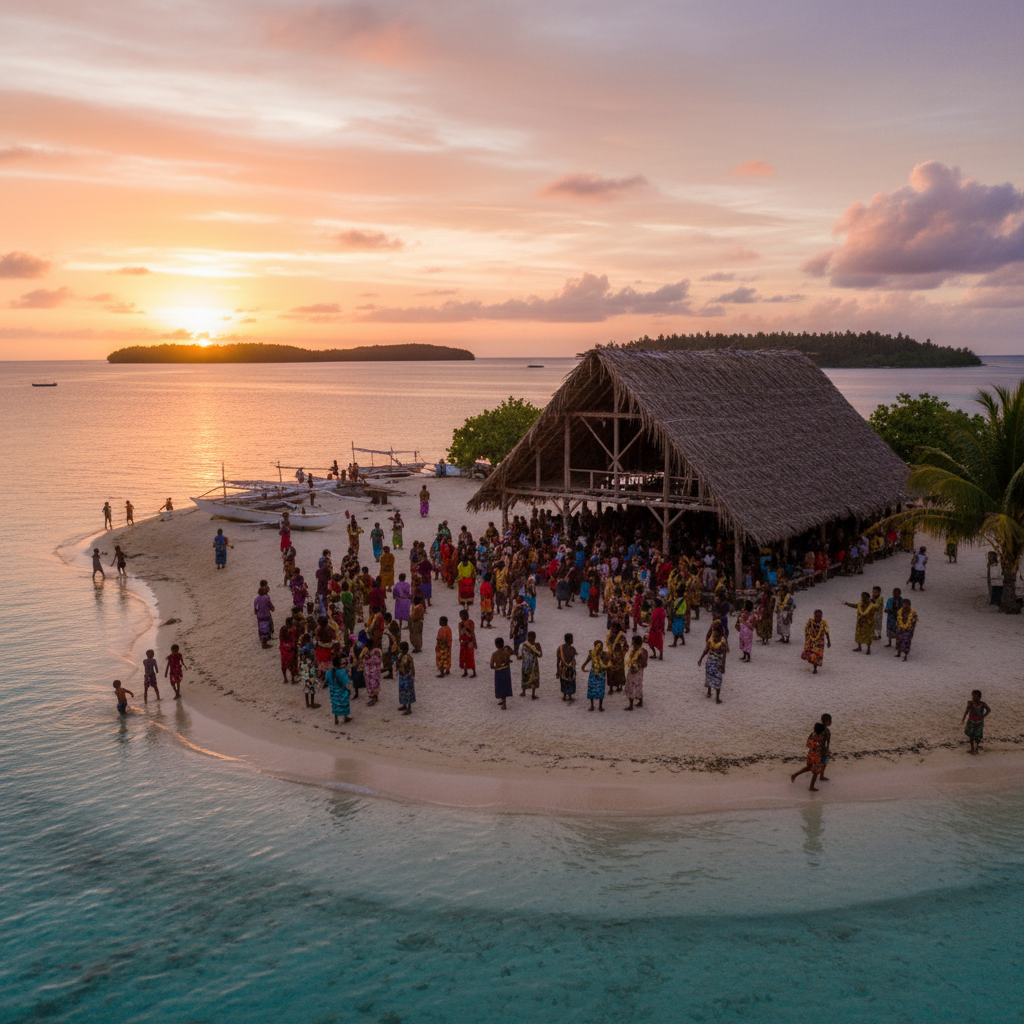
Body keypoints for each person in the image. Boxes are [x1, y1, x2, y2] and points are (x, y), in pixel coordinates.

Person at [697, 620, 728, 702]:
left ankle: (710, 692)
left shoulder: (714, 640)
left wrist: (701, 659)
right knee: (717, 678)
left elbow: (706, 650)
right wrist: (723, 666)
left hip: (711, 661)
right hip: (716, 662)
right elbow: (724, 655)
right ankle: (715, 696)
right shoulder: (722, 641)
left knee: (711, 677)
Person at [790, 722, 826, 790]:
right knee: (816, 772)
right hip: (816, 756)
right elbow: (821, 748)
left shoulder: (812, 734)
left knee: (809, 767)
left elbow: (808, 745)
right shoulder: (820, 738)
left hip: (810, 754)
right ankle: (811, 787)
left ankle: (794, 775)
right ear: (821, 732)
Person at [962, 690, 991, 754]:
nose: (974, 698)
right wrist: (963, 718)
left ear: (979, 697)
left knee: (978, 736)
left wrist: (983, 716)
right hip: (971, 721)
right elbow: (967, 711)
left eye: (975, 697)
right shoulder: (970, 703)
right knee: (971, 736)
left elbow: (988, 710)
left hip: (979, 722)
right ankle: (972, 748)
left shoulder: (983, 704)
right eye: (973, 697)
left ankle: (977, 748)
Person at [326, 655, 352, 724]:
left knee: (335, 705)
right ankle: (345, 717)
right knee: (345, 704)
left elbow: (326, 681)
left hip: (333, 692)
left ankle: (336, 719)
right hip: (341, 691)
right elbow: (346, 682)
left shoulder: (329, 672)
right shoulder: (342, 672)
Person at [582, 639, 606, 712]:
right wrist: (583, 666)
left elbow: (606, 663)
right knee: (592, 689)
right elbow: (587, 660)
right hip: (594, 673)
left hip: (601, 673)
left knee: (600, 689)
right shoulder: (592, 653)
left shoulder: (603, 654)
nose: (600, 648)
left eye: (601, 647)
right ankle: (592, 705)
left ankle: (600, 706)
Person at [624, 635, 648, 710]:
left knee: (633, 686)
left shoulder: (642, 652)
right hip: (633, 670)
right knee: (636, 685)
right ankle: (640, 701)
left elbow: (644, 663)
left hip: (638, 671)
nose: (632, 644)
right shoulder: (635, 651)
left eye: (633, 642)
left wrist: (637, 664)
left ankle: (631, 705)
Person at [490, 637, 514, 710]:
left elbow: (492, 665)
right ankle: (503, 701)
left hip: (499, 671)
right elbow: (512, 652)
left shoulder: (495, 654)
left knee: (500, 686)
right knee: (505, 685)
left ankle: (503, 702)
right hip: (506, 670)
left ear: (496, 645)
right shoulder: (506, 652)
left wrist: (496, 665)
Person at [518, 631, 542, 699]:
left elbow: (519, 656)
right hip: (532, 663)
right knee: (532, 677)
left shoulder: (523, 645)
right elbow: (540, 655)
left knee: (527, 677)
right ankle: (531, 694)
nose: (531, 640)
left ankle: (525, 692)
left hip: (527, 663)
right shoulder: (527, 645)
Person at [396, 642, 416, 714]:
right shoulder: (400, 656)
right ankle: (404, 705)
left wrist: (412, 675)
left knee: (408, 692)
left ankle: (409, 708)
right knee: (402, 691)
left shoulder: (408, 657)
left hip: (407, 676)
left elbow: (411, 667)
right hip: (402, 676)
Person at [556, 633, 577, 702]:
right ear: (570, 640)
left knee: (563, 682)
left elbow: (558, 660)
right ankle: (570, 696)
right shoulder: (572, 649)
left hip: (563, 669)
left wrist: (557, 670)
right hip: (570, 669)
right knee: (570, 682)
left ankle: (564, 695)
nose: (573, 640)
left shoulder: (560, 648)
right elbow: (573, 660)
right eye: (572, 639)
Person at [458, 608, 478, 678]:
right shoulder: (460, 624)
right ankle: (465, 671)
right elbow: (460, 633)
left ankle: (474, 671)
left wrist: (474, 642)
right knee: (464, 657)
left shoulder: (470, 622)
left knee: (470, 657)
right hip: (463, 643)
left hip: (469, 643)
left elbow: (472, 632)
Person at [254, 583, 275, 648]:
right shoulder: (266, 598)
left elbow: (256, 608)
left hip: (260, 616)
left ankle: (263, 640)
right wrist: (272, 609)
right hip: (266, 615)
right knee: (267, 627)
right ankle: (264, 644)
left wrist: (257, 612)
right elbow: (270, 605)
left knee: (261, 628)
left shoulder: (256, 598)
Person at [819, 713, 832, 781]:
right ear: (827, 721)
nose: (831, 722)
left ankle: (821, 775)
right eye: (830, 720)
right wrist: (827, 750)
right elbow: (827, 742)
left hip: (817, 748)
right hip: (823, 749)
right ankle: (821, 776)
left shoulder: (818, 728)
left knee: (819, 763)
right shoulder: (826, 731)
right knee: (824, 762)